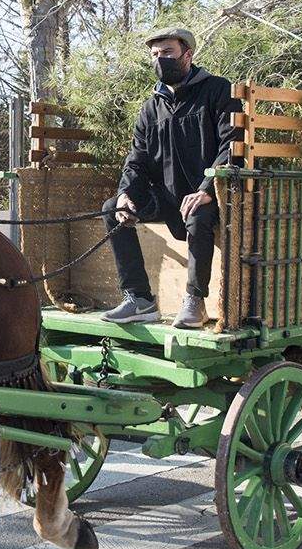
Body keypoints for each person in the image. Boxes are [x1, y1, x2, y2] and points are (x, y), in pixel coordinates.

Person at [101, 26, 238, 328]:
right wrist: (126, 193)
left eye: (168, 53)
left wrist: (208, 189)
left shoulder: (217, 91)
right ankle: (139, 299)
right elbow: (137, 160)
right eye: (155, 54)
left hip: (210, 196)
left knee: (199, 214)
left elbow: (232, 144)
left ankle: (195, 301)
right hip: (167, 196)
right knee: (113, 208)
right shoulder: (151, 109)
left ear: (187, 55)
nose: (161, 59)